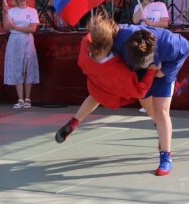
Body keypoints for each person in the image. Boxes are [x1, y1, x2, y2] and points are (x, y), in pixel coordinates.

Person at [56, 14, 189, 177]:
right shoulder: (113, 39)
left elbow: (187, 47)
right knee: (146, 104)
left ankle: (165, 156)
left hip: (162, 69)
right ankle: (168, 111)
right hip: (142, 72)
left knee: (161, 111)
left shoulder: (169, 43)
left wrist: (164, 72)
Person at [55, 14, 160, 143]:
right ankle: (158, 122)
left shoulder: (85, 43)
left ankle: (73, 122)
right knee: (144, 93)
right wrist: (152, 71)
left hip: (97, 84)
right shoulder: (117, 69)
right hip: (113, 92)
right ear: (109, 43)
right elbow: (139, 91)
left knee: (94, 96)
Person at [3, 0, 40, 109]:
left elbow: (33, 29)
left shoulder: (32, 11)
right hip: (14, 41)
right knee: (17, 68)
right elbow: (7, 27)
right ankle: (20, 99)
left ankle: (28, 98)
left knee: (28, 68)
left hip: (27, 41)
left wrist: (17, 27)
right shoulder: (12, 11)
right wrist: (5, 13)